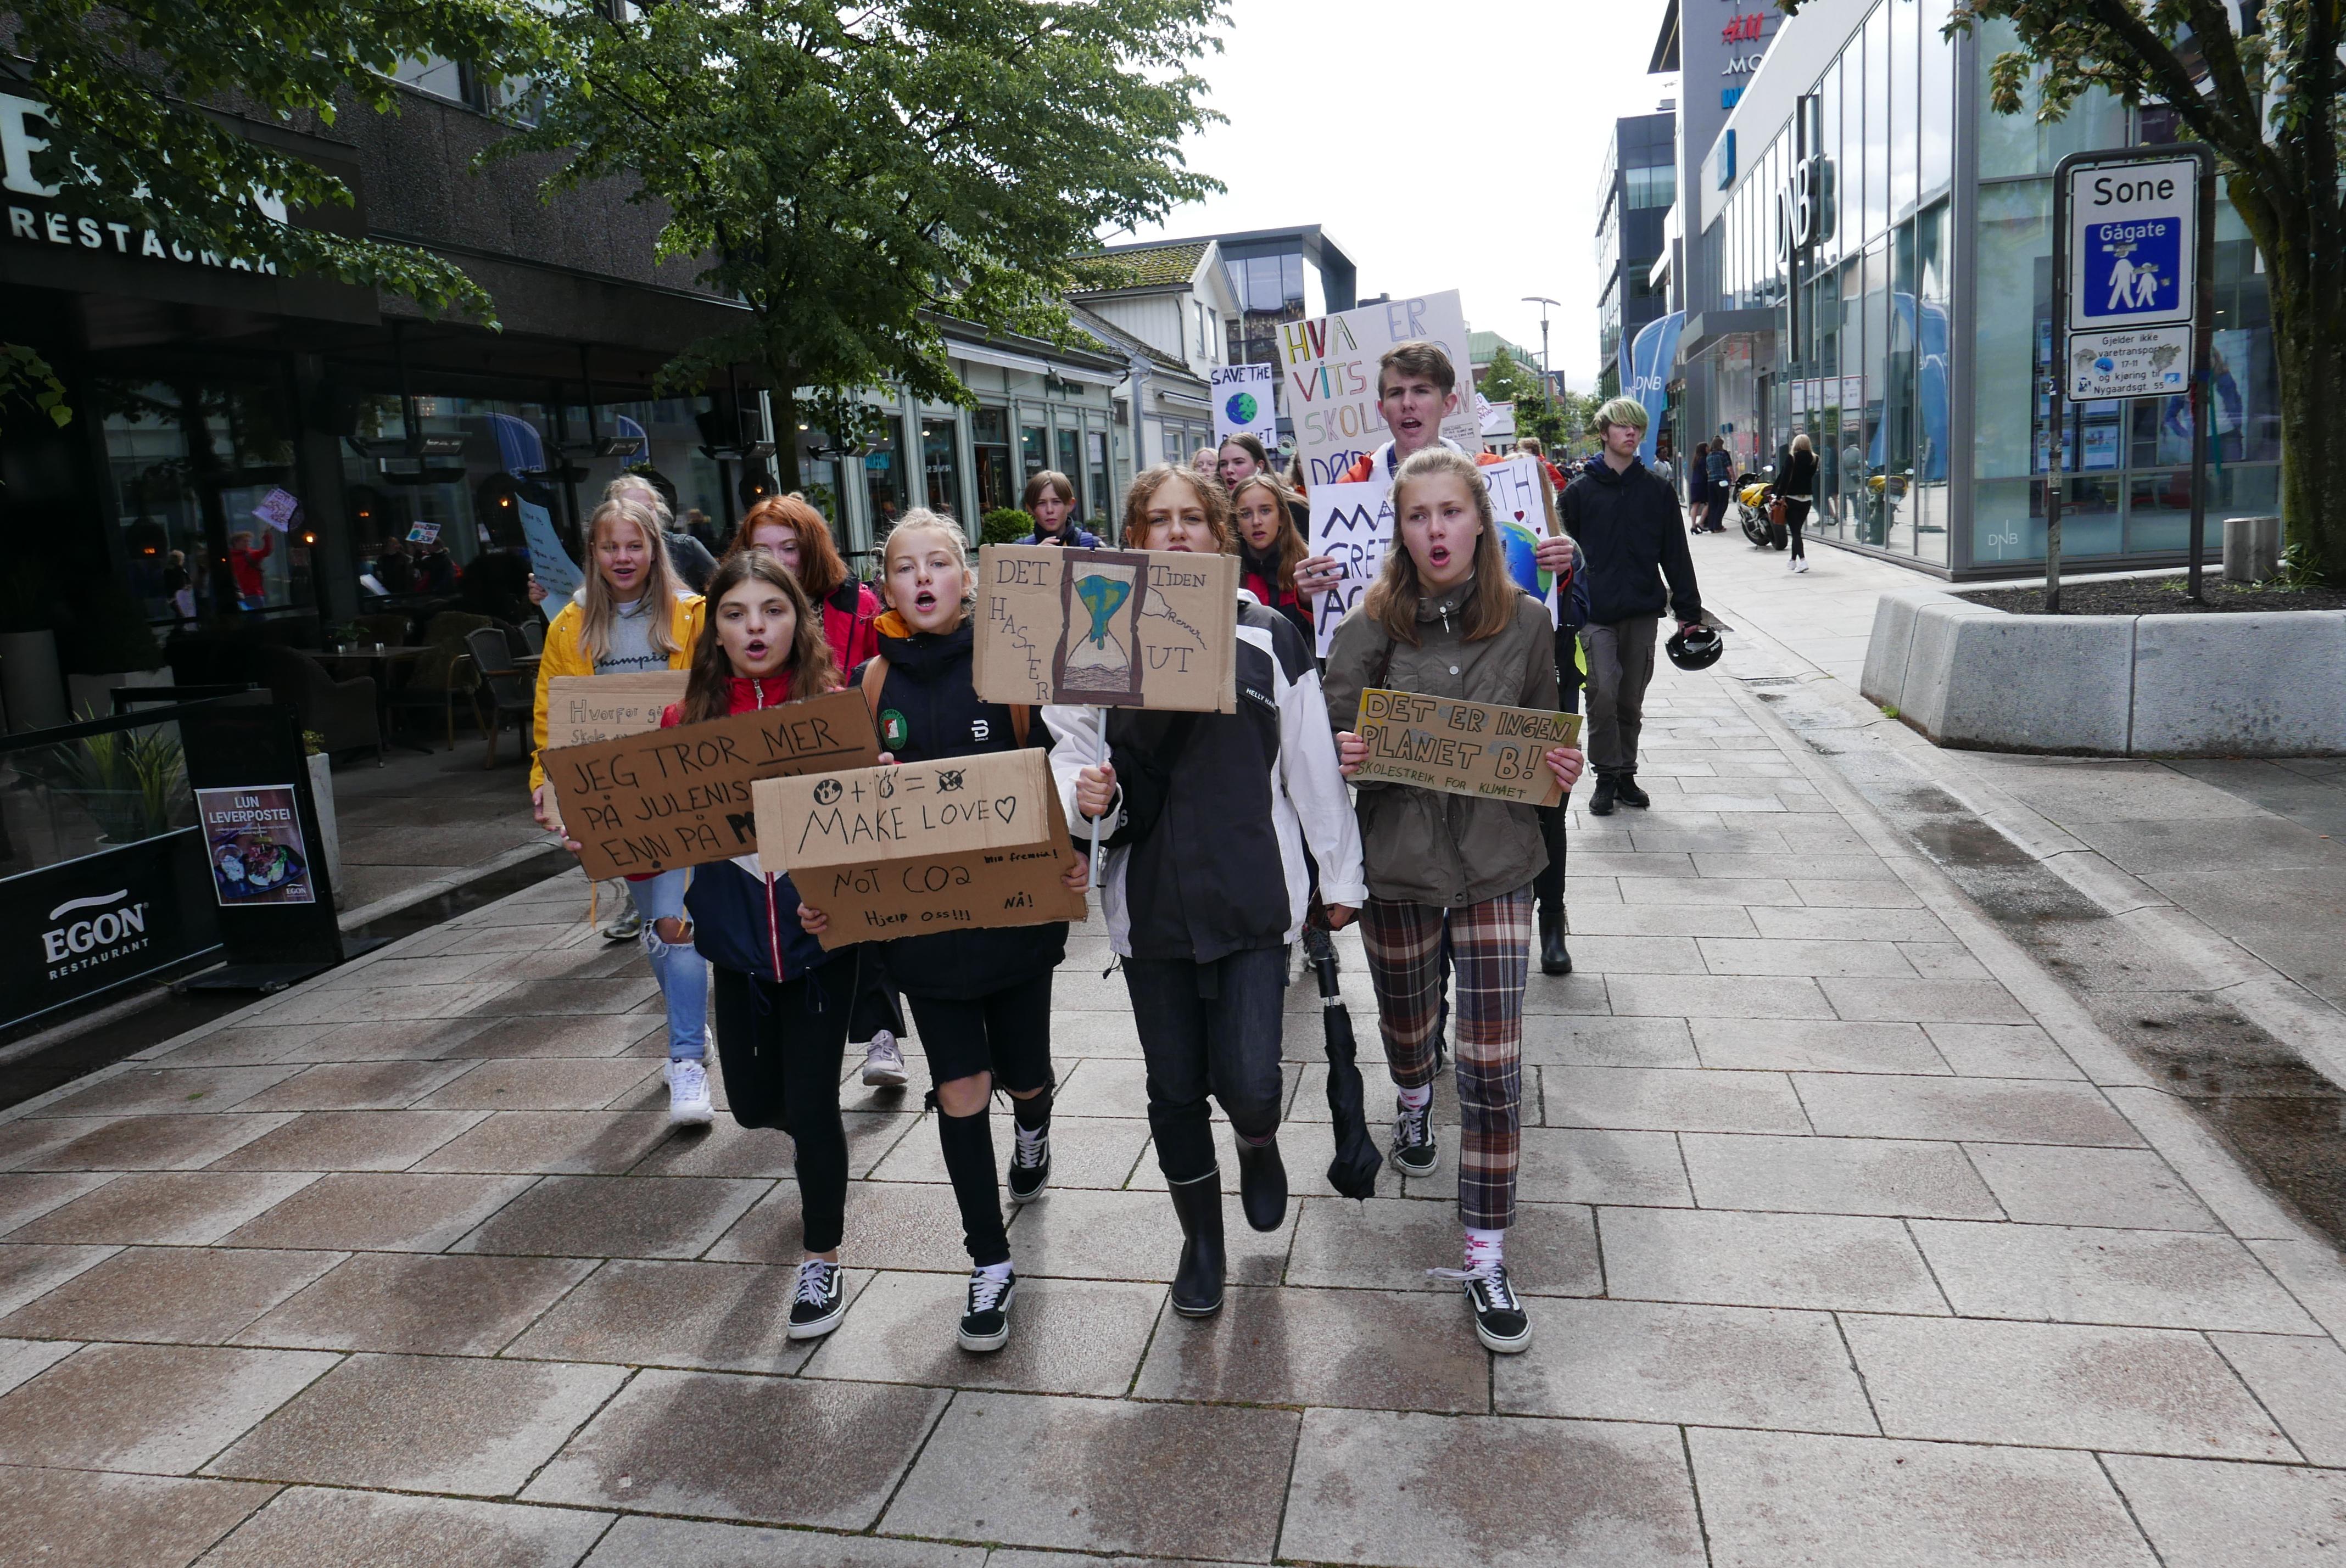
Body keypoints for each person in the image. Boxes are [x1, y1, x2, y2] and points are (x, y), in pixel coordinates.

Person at [1057, 465, 1366, 1320]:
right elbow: (1070, 749)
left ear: (1220, 534)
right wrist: (1082, 794)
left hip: (1253, 899)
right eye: (1158, 521)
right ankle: (1201, 1240)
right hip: (1150, 905)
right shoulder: (1097, 636)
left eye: (1194, 518)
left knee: (1252, 1081)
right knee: (1175, 1087)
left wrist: (1339, 878)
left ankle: (1259, 1141)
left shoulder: (1270, 637)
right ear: (1134, 538)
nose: (1178, 533)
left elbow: (1309, 768)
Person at [800, 510, 1087, 1354]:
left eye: (939, 564)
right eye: (903, 568)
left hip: (1016, 927)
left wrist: (1075, 843)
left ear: (967, 579)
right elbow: (840, 817)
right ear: (884, 588)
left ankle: (1033, 1125)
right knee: (961, 1089)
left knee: (1023, 1075)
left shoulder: (1013, 669)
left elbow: (1058, 773)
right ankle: (988, 1264)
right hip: (922, 938)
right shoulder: (870, 686)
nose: (922, 579)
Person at [1324, 446, 1584, 1354]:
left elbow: (1553, 738)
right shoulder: (1367, 627)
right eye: (1417, 515)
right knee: (1408, 1034)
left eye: (1449, 512)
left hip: (1495, 868)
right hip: (1396, 869)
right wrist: (1344, 748)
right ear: (1399, 529)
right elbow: (1326, 730)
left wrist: (1563, 767)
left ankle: (1484, 1250)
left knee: (1491, 1063)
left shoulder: (1528, 625)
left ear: (1480, 521)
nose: (1434, 529)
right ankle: (1406, 1093)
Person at [666, 551, 859, 1338]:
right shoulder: (686, 725)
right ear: (714, 628)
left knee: (813, 1106)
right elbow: (650, 841)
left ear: (799, 619)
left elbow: (870, 838)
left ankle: (823, 1258)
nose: (755, 628)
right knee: (751, 1106)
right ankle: (813, 1143)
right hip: (736, 954)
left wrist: (842, 900)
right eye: (737, 614)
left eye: (772, 611)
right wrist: (597, 840)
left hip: (821, 953)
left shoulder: (833, 709)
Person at [528, 496, 711, 1118]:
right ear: (594, 554)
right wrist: (544, 782)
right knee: (657, 936)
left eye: (635, 545)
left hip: (687, 798)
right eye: (611, 547)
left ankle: (686, 1058)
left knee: (674, 925)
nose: (623, 558)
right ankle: (691, 1030)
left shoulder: (694, 616)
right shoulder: (569, 627)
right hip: (619, 808)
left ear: (655, 549)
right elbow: (552, 716)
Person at [723, 491, 900, 1085]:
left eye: (788, 548)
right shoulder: (742, 610)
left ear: (811, 551)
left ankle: (880, 1032)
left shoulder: (857, 605)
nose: (777, 558)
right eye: (762, 548)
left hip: (841, 770)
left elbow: (879, 680)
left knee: (857, 902)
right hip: (768, 784)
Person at [1562, 397, 1704, 818]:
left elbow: (1675, 553)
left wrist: (1688, 612)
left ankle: (1626, 773)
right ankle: (1606, 775)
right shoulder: (1578, 493)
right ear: (1604, 432)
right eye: (1623, 426)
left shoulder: (1657, 491)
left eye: (1637, 428)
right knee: (1602, 690)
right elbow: (1560, 553)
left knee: (1630, 698)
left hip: (1642, 611)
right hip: (1593, 614)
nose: (1632, 433)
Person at [1515, 436, 1580, 977]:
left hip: (1552, 684)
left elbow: (1581, 609)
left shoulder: (1562, 552)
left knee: (1548, 806)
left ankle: (1552, 919)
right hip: (1491, 689)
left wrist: (1565, 570)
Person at [1228, 471, 1314, 645]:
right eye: (1245, 514)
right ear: (1236, 524)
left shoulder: (1307, 564)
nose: (1256, 521)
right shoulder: (1226, 571)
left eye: (1265, 511)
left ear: (1281, 517)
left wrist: (1309, 603)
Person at [610, 472, 718, 594]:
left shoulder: (686, 546)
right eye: (634, 509)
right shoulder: (607, 555)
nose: (644, 515)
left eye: (649, 508)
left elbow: (725, 588)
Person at [1770, 433, 1819, 574]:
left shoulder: (1792, 458)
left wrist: (1777, 496)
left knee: (1796, 532)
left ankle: (1803, 561)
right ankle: (1792, 561)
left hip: (1792, 499)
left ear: (1795, 444)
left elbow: (1785, 478)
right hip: (1807, 499)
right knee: (1797, 530)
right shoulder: (1815, 459)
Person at [1022, 471, 1101, 549]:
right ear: (1030, 509)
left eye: (1056, 502)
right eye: (1041, 503)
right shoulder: (1019, 550)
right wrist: (1032, 556)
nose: (1050, 510)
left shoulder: (1093, 546)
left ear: (1070, 505)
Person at [228, 529, 275, 609]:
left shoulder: (251, 555)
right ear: (236, 542)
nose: (248, 544)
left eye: (249, 542)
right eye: (245, 541)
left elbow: (266, 552)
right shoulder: (230, 557)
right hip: (240, 595)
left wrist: (267, 537)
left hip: (253, 594)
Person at [1703, 441, 1733, 533]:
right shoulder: (1722, 454)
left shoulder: (1709, 456)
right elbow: (1729, 468)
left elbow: (1707, 470)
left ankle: (1711, 526)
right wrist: (1733, 479)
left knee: (1713, 504)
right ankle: (1718, 526)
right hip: (1722, 480)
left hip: (1711, 481)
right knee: (1723, 503)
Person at [1686, 440, 1712, 533]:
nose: (1709, 449)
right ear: (1704, 449)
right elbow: (1705, 473)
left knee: (1695, 505)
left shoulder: (1696, 460)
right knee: (1709, 503)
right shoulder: (1704, 459)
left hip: (1695, 483)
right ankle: (1701, 523)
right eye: (1707, 447)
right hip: (1702, 484)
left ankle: (1693, 525)